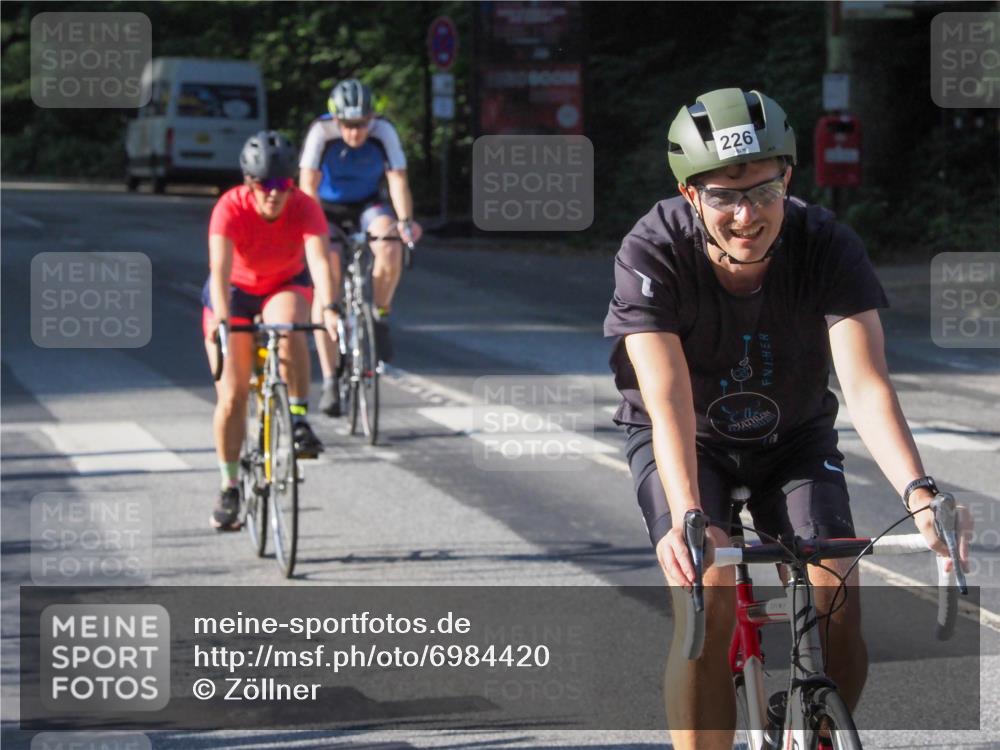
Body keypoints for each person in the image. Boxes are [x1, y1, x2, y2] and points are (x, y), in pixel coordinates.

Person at [603, 88, 970, 749]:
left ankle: (819, 722)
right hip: (691, 442)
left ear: (789, 179)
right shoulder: (650, 251)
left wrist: (920, 494)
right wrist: (688, 516)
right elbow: (668, 400)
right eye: (724, 196)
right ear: (691, 195)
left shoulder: (827, 243)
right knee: (709, 591)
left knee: (838, 586)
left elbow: (864, 383)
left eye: (764, 192)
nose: (747, 215)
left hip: (793, 437)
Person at [203, 130, 341, 531]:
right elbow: (219, 272)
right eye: (264, 184)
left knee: (289, 325)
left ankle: (296, 417)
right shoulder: (229, 208)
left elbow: (318, 261)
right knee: (232, 392)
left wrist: (329, 307)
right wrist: (225, 322)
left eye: (282, 185)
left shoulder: (305, 207)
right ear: (249, 182)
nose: (273, 194)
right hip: (234, 290)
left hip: (282, 283)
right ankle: (229, 485)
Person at [299, 78, 423, 416]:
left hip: (367, 204)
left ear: (372, 119)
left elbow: (398, 180)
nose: (356, 133)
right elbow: (306, 187)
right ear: (336, 120)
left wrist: (406, 220)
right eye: (349, 126)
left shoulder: (383, 132)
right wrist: (312, 233)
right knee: (328, 281)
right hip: (325, 208)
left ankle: (380, 316)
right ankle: (328, 379)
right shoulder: (321, 133)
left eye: (363, 125)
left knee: (390, 245)